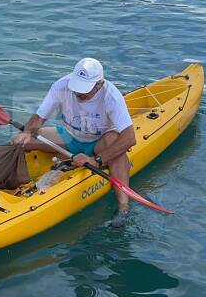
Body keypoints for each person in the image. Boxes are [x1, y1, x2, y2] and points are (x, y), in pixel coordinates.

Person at [10, 58, 136, 227]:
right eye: (77, 87)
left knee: (114, 141)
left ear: (99, 84)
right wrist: (26, 132)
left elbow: (129, 137)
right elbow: (40, 117)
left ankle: (123, 207)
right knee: (18, 142)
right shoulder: (62, 85)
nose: (78, 93)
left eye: (84, 89)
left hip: (101, 142)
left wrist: (96, 160)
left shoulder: (111, 96)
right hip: (69, 137)